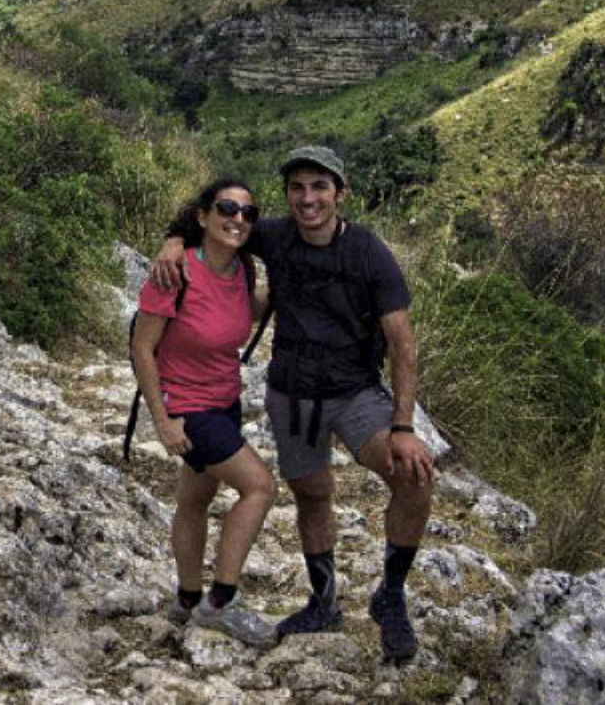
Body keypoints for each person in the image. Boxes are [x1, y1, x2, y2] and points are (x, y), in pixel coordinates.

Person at [152, 147, 434, 663]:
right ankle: (323, 601)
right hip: (293, 394)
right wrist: (174, 241)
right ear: (288, 196)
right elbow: (213, 220)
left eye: (320, 187)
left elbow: (403, 343)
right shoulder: (273, 233)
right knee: (312, 494)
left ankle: (390, 595)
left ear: (340, 194)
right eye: (298, 188)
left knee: (413, 475)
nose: (309, 199)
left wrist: (403, 424)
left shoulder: (369, 252)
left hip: (354, 394)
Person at [132, 178, 278, 648]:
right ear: (202, 216)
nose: (238, 219)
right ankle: (222, 602)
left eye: (248, 213)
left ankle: (187, 599)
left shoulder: (242, 271)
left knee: (194, 500)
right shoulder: (173, 273)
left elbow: (245, 313)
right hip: (190, 409)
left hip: (224, 401)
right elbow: (142, 348)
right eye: (227, 208)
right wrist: (162, 419)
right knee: (259, 487)